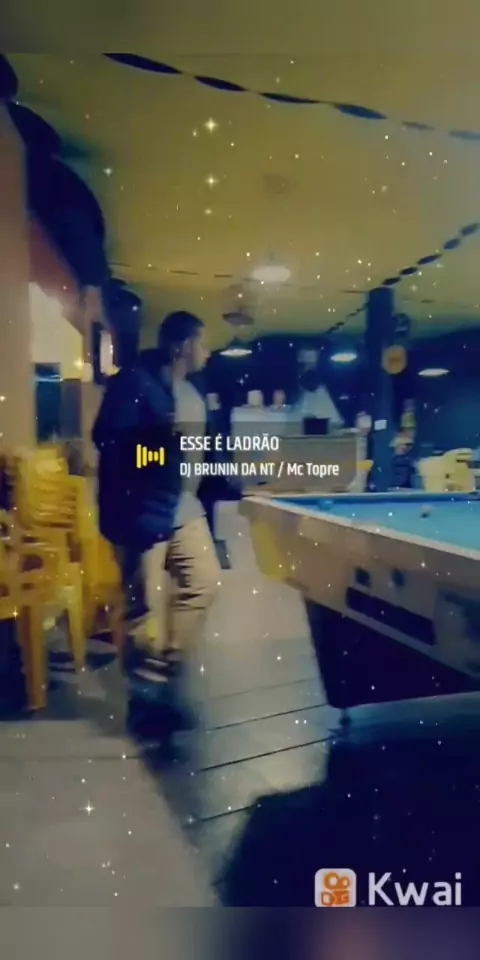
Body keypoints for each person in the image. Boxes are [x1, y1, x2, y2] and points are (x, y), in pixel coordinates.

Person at [93, 311, 221, 727]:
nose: (208, 351)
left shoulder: (191, 392)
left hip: (183, 507)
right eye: (203, 342)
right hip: (142, 510)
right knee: (142, 608)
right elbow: (108, 439)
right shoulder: (135, 382)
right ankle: (144, 702)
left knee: (204, 581)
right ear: (183, 345)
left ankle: (167, 669)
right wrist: (156, 450)